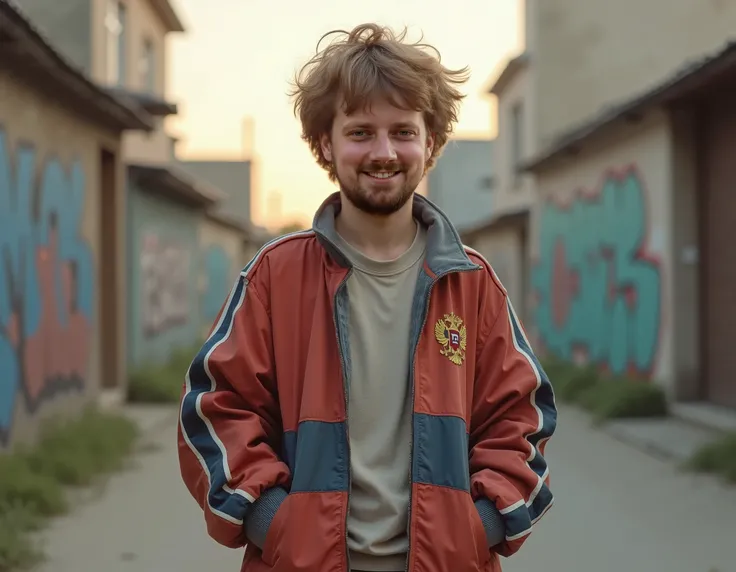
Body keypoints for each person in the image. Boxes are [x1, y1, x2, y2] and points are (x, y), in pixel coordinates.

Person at [178, 23, 557, 572]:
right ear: (324, 144)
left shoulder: (473, 284)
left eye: (403, 131)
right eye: (360, 132)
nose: (384, 152)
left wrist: (480, 526)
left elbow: (523, 419)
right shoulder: (274, 276)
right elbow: (214, 407)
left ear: (432, 144)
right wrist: (274, 524)